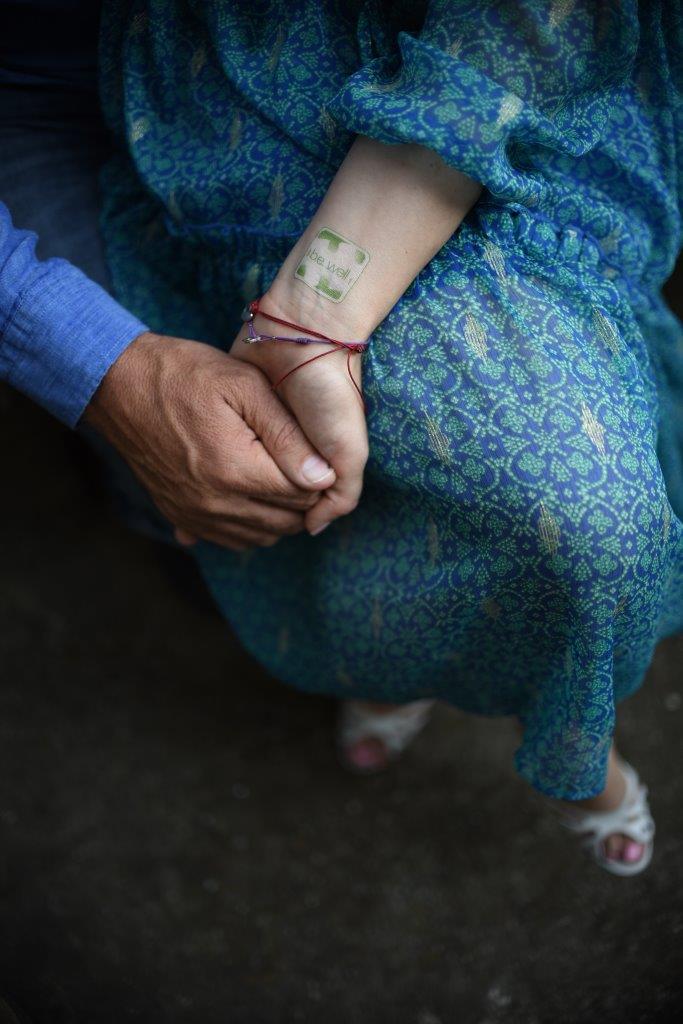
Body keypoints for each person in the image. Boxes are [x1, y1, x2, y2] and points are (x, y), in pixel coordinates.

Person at [96, 0, 683, 877]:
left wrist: (311, 315)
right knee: (331, 500)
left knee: (581, 527)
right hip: (229, 154)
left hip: (506, 140)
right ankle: (389, 671)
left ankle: (572, 743)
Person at [0, 0, 338, 554]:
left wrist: (326, 312)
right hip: (36, 103)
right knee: (208, 453)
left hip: (256, 62)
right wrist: (109, 370)